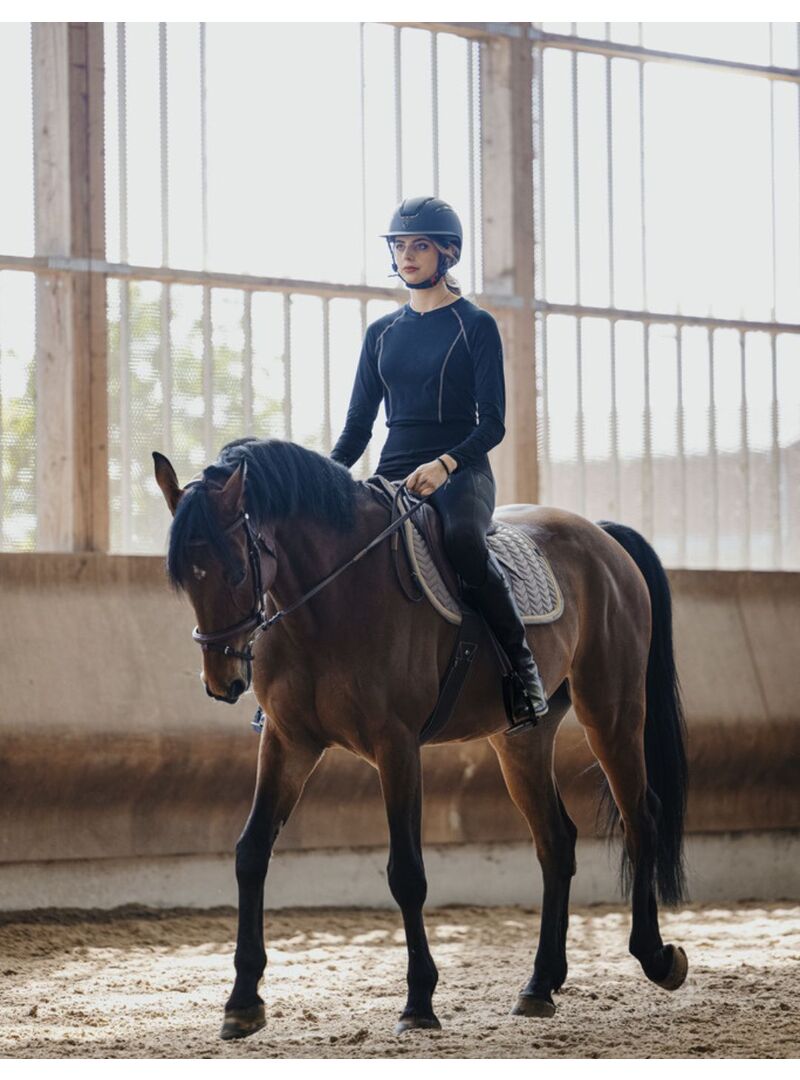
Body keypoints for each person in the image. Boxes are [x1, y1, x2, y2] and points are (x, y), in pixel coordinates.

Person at [330, 195, 548, 722]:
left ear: (447, 253)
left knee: (464, 543)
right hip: (392, 472)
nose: (407, 256)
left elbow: (492, 423)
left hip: (461, 472)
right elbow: (359, 425)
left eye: (419, 246)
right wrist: (326, 478)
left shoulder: (475, 326)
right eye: (400, 246)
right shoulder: (380, 333)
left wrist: (446, 464)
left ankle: (523, 673)